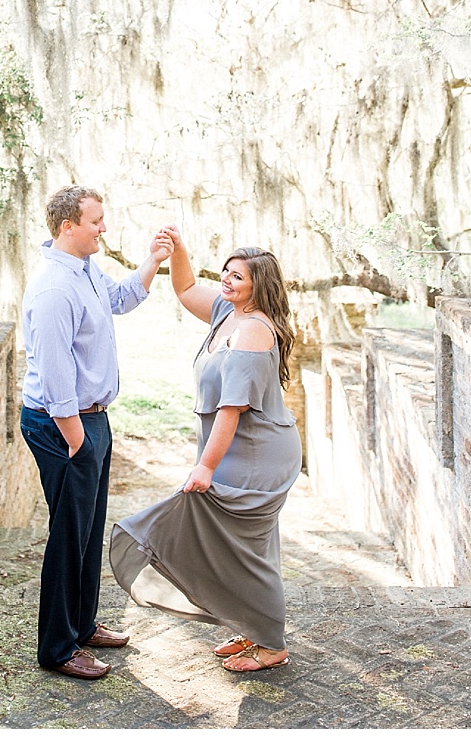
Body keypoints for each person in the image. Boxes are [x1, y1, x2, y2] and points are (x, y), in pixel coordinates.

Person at [109, 234, 301, 673]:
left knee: (247, 550)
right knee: (239, 547)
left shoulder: (253, 330)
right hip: (235, 449)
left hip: (256, 454)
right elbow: (184, 288)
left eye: (238, 276)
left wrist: (205, 467)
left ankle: (271, 643)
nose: (227, 281)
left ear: (260, 286)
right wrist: (177, 247)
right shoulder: (227, 313)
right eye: (226, 273)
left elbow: (230, 411)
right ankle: (252, 626)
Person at [19, 185, 171, 679]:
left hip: (90, 419)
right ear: (68, 227)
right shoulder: (53, 289)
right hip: (63, 425)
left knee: (87, 529)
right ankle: (58, 649)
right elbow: (56, 371)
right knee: (68, 535)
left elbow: (121, 299)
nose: (104, 227)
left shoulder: (84, 271)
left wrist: (153, 260)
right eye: (96, 221)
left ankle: (82, 625)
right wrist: (76, 439)